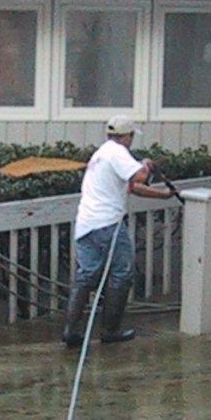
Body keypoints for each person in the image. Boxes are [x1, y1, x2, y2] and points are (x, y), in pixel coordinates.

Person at [62, 116, 174, 347]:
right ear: (128, 136)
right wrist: (146, 164)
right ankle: (110, 331)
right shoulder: (117, 152)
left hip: (86, 225)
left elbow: (131, 187)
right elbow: (140, 177)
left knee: (87, 274)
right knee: (122, 273)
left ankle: (71, 331)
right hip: (108, 224)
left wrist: (163, 196)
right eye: (132, 136)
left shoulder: (101, 154)